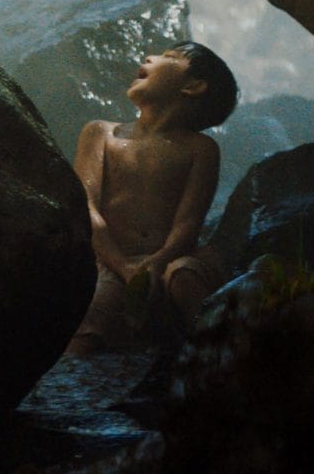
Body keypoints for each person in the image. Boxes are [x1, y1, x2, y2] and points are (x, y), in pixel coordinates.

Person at [66, 40, 239, 355]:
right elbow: (85, 207)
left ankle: (213, 362)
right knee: (89, 320)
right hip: (111, 262)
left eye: (170, 56)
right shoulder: (100, 133)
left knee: (185, 274)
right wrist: (124, 267)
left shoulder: (199, 148)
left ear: (194, 86)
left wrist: (155, 264)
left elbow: (187, 223)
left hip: (170, 260)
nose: (150, 56)